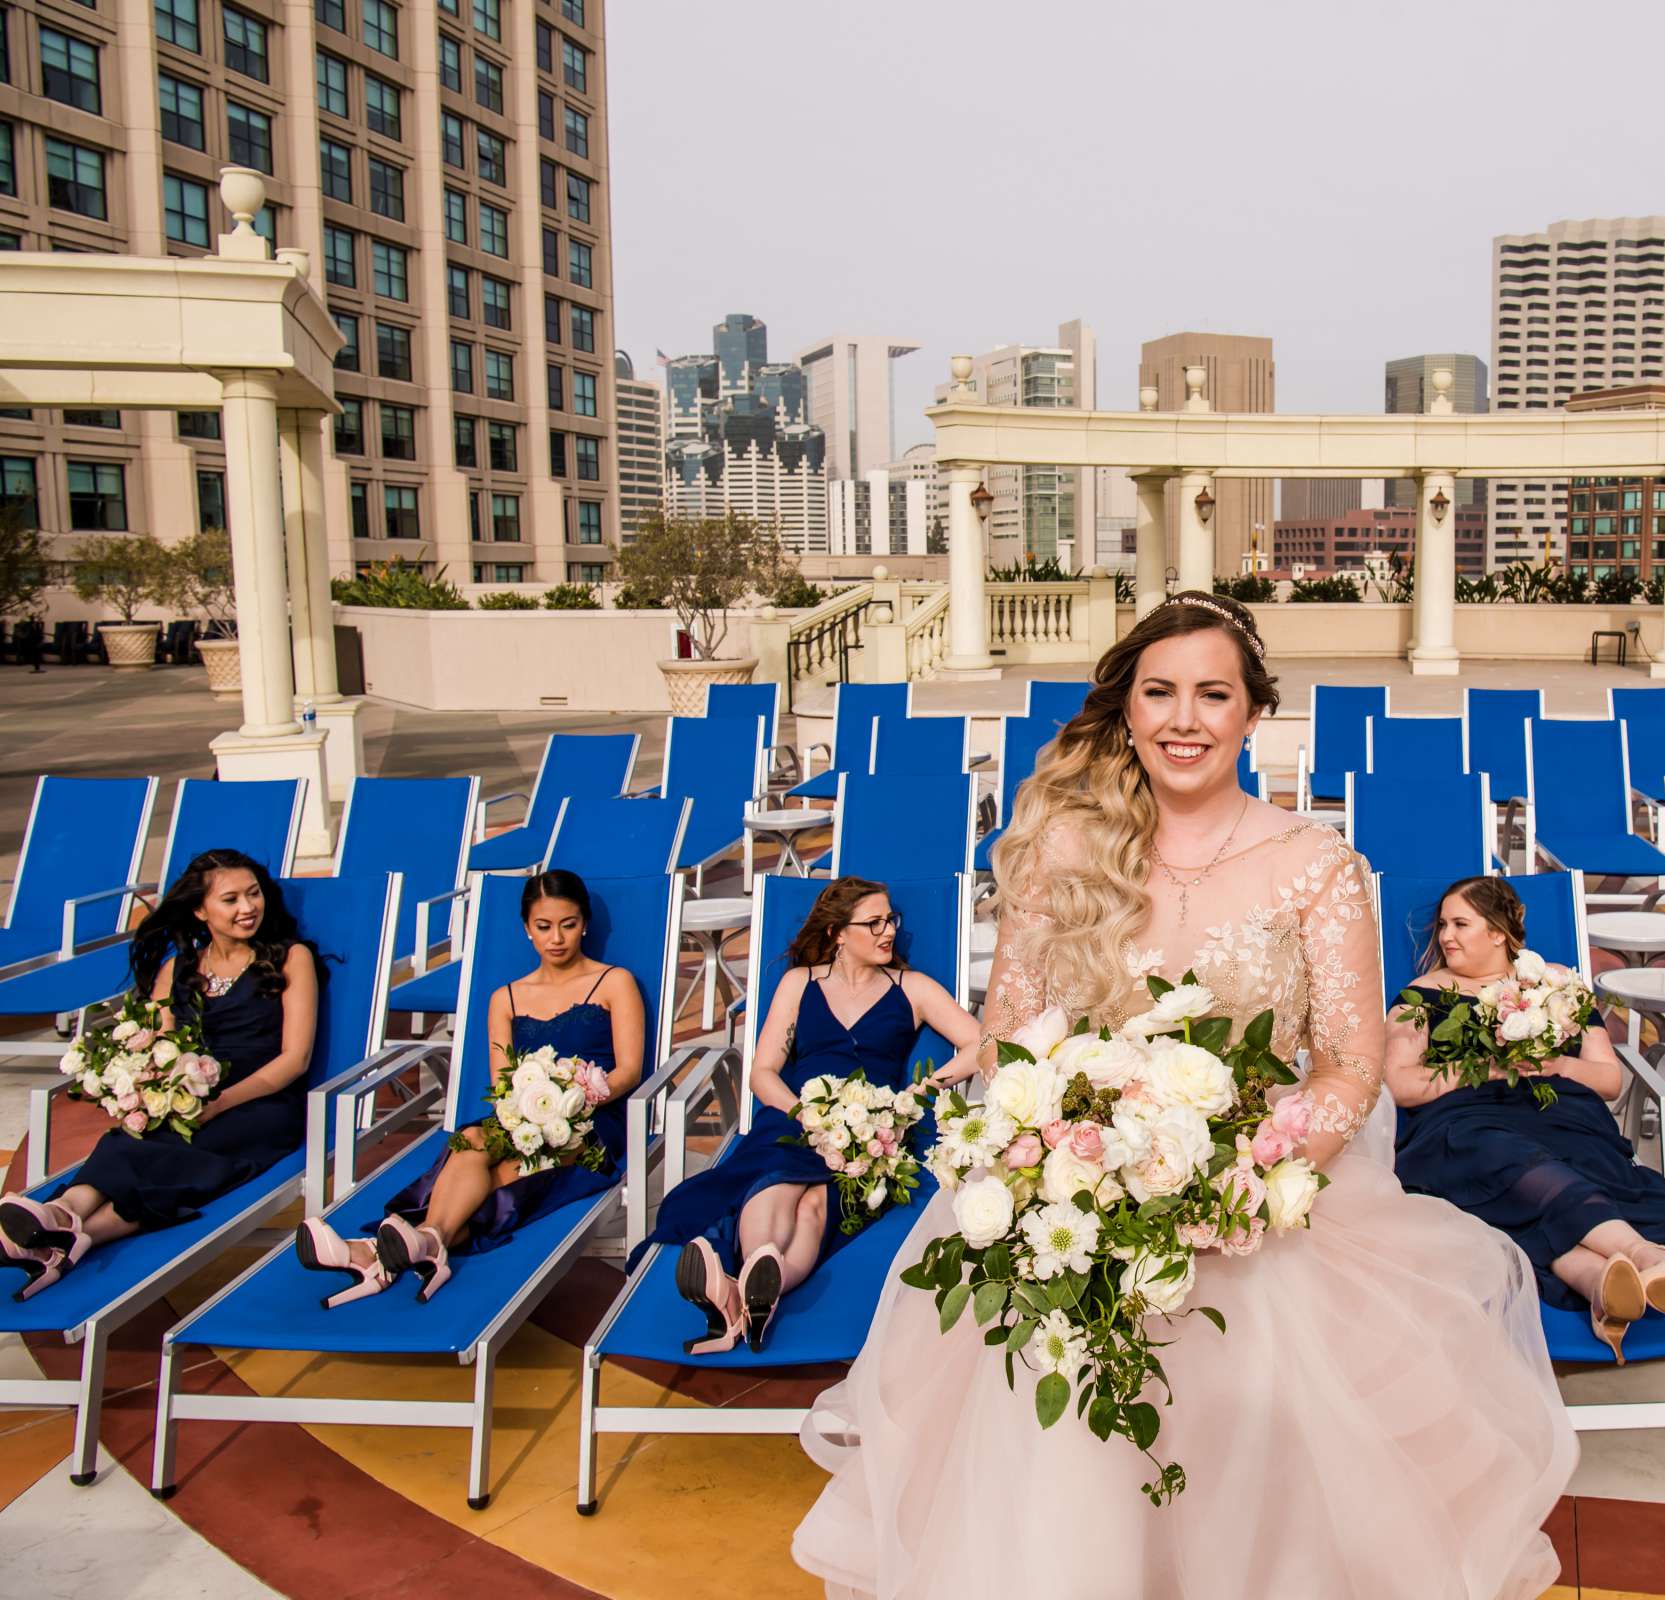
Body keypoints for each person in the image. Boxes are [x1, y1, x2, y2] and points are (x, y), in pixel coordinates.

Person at [791, 593, 1575, 1600]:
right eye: (1159, 692)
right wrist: (1061, 1162)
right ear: (1126, 709)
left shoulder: (1316, 866)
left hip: (1265, 1213)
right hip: (1076, 1208)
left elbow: (1349, 1058)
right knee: (1064, 1465)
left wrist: (1258, 1177)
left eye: (1214, 693)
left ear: (1255, 713)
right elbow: (1004, 1037)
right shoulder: (1061, 858)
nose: (1184, 718)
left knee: (1256, 1474)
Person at [641, 877, 983, 1355]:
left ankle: (737, 1295)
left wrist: (918, 1092)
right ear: (838, 933)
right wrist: (806, 1115)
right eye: (875, 923)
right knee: (780, 1181)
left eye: (891, 921)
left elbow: (982, 1043)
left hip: (871, 1132)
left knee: (818, 1204)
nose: (888, 932)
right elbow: (763, 1072)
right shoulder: (800, 984)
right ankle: (754, 1290)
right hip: (794, 1117)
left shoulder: (912, 989)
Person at [1387, 876, 1665, 1360]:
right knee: (1506, 1157)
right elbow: (1402, 1084)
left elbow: (1608, 1080)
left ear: (1498, 931)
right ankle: (1644, 1255)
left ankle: (1600, 1281)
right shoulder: (1423, 993)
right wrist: (1487, 1066)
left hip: (1562, 1114)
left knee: (1546, 1172)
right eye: (1442, 926)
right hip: (1467, 1123)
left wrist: (1556, 1064)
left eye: (1459, 924)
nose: (1446, 937)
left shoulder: (1554, 984)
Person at [294, 869, 644, 1306]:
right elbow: (503, 1085)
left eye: (568, 924)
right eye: (544, 926)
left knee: (494, 1176)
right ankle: (429, 1242)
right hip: (525, 1116)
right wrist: (529, 1113)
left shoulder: (614, 982)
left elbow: (629, 1070)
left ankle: (372, 1254)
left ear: (584, 923)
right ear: (526, 929)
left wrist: (573, 1102)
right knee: (472, 1139)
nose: (557, 938)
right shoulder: (506, 998)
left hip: (592, 1123)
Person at [0, 850, 321, 1298]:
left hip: (262, 1102)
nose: (248, 907)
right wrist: (150, 1089)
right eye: (231, 899)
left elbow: (294, 1059)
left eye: (254, 894)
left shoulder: (288, 958)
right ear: (200, 911)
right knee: (137, 1136)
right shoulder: (177, 969)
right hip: (194, 1094)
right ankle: (68, 1225)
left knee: (174, 1150)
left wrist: (220, 1102)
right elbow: (163, 1050)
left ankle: (58, 1219)